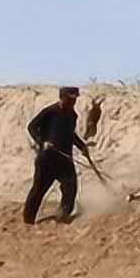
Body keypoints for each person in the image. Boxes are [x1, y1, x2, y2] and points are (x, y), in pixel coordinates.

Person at [23, 86, 92, 224]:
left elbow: (70, 134)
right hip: (47, 158)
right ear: (62, 97)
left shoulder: (73, 116)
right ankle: (28, 219)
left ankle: (63, 215)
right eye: (70, 99)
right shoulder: (50, 112)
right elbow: (31, 127)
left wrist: (82, 146)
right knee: (39, 189)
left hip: (64, 159)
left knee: (70, 187)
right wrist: (42, 142)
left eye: (74, 100)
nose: (72, 103)